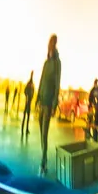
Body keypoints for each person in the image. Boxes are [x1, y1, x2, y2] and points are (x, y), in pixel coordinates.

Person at [37, 36, 61, 173]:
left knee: (44, 134)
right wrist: (37, 99)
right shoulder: (46, 63)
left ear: (55, 45)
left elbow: (57, 84)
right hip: (41, 102)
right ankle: (43, 155)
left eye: (52, 44)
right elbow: (41, 81)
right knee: (41, 132)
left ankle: (43, 160)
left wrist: (54, 104)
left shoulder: (57, 63)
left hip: (48, 104)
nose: (50, 46)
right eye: (49, 44)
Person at [20, 72, 35, 139]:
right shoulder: (30, 84)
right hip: (27, 103)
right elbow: (26, 91)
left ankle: (25, 129)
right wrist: (27, 97)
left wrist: (29, 97)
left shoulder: (31, 84)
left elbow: (28, 91)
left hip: (28, 102)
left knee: (26, 117)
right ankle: (24, 129)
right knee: (26, 117)